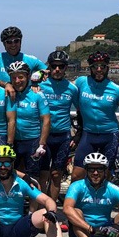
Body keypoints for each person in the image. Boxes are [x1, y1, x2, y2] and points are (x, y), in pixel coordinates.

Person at [71, 51, 119, 182]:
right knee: (77, 174)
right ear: (90, 68)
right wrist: (38, 80)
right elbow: (63, 88)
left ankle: (101, 201)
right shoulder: (81, 82)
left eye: (102, 66)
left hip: (109, 135)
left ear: (108, 68)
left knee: (104, 175)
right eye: (95, 66)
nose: (99, 70)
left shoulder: (116, 89)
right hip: (88, 134)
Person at [38, 51, 79, 202]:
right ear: (49, 66)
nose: (57, 69)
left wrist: (79, 134)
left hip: (62, 136)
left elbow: (81, 111)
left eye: (61, 66)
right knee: (42, 174)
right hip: (43, 136)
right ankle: (42, 208)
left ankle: (51, 209)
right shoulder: (39, 85)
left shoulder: (71, 88)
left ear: (65, 68)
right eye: (54, 66)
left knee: (56, 174)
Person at [8, 61, 50, 181]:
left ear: (27, 76)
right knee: (11, 178)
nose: (17, 81)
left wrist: (41, 144)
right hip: (14, 142)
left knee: (33, 180)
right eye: (14, 78)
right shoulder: (9, 95)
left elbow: (46, 120)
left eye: (20, 77)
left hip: (33, 142)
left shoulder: (38, 95)